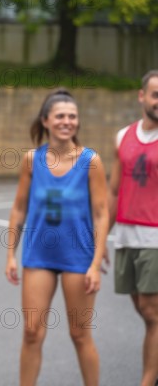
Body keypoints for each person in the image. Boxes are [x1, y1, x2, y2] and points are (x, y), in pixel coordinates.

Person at [5, 89, 109, 386]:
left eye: (72, 116)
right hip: (39, 256)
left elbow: (101, 214)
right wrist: (10, 254)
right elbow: (19, 208)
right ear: (46, 121)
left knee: (79, 334)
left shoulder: (91, 161)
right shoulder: (31, 160)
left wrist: (96, 260)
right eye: (60, 116)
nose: (67, 121)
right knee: (32, 332)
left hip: (79, 257)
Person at [108, 70, 158, 386]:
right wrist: (98, 239)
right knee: (143, 309)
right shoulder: (122, 136)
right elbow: (113, 191)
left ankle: (148, 379)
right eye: (155, 94)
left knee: (153, 313)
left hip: (155, 237)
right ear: (142, 96)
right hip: (125, 236)